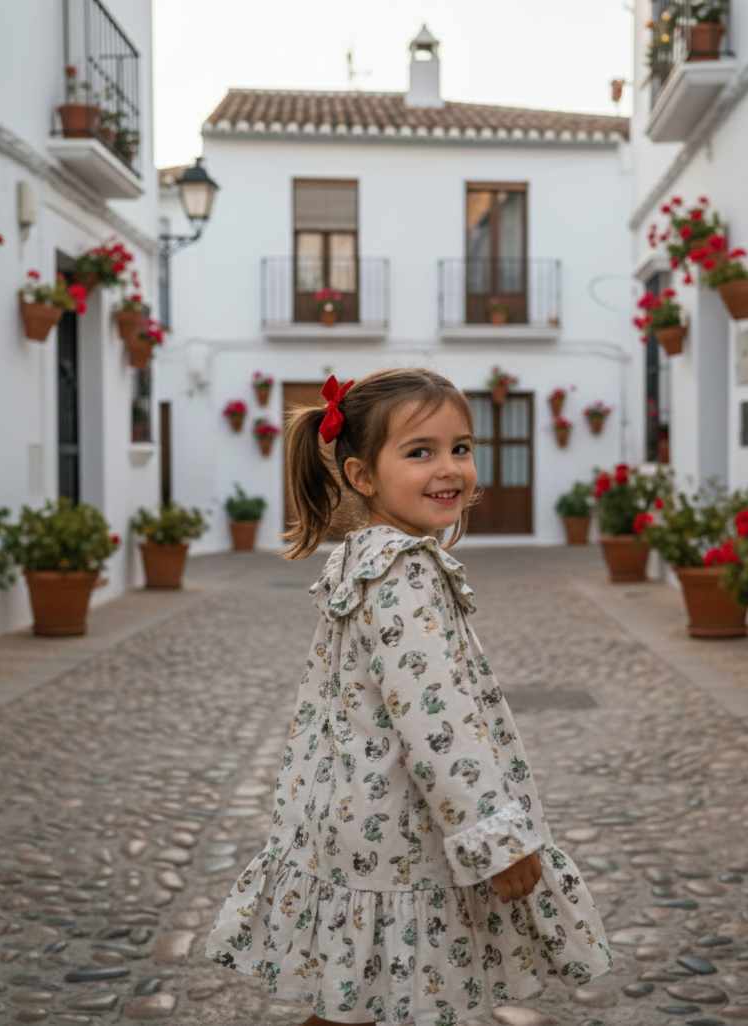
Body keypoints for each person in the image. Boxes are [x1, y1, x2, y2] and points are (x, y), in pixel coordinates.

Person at [206, 368, 611, 1026]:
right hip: (399, 839)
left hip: (354, 820)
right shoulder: (402, 573)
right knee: (373, 1000)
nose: (449, 467)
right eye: (419, 451)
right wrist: (496, 837)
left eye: (461, 447)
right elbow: (435, 719)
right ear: (363, 476)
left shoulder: (364, 556)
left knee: (353, 998)